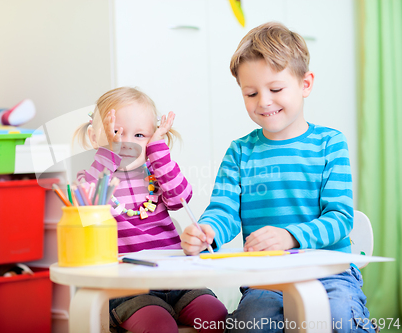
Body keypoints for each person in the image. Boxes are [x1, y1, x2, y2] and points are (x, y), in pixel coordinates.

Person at [180, 22, 376, 333]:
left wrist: (290, 236)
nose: (264, 102)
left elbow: (341, 218)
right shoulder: (240, 151)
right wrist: (207, 232)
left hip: (332, 273)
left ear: (305, 84)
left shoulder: (330, 144)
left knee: (340, 316)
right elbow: (223, 211)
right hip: (266, 279)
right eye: (251, 93)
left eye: (275, 89)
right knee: (250, 324)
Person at [74, 87, 227, 333]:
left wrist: (158, 153)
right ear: (94, 137)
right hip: (128, 290)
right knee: (159, 325)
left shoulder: (157, 175)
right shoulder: (92, 178)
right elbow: (86, 209)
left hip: (178, 281)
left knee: (216, 315)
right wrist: (108, 155)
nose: (127, 144)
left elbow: (181, 200)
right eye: (116, 134)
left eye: (139, 135)